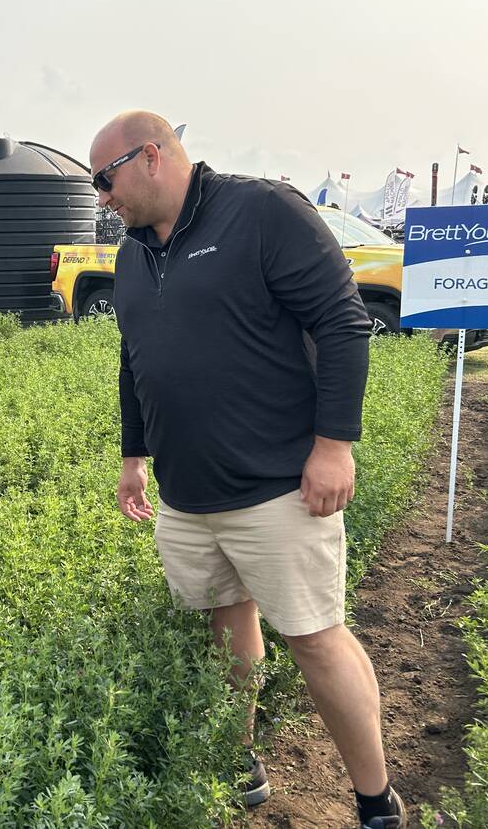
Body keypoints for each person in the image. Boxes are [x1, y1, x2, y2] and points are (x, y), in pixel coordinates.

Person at [90, 111, 406, 829]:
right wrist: (133, 458)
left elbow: (341, 322)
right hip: (186, 494)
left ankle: (374, 799)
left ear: (150, 156)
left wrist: (334, 446)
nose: (102, 199)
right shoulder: (136, 253)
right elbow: (132, 361)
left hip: (276, 490)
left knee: (316, 637)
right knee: (225, 627)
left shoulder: (262, 212)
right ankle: (241, 761)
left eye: (105, 181)